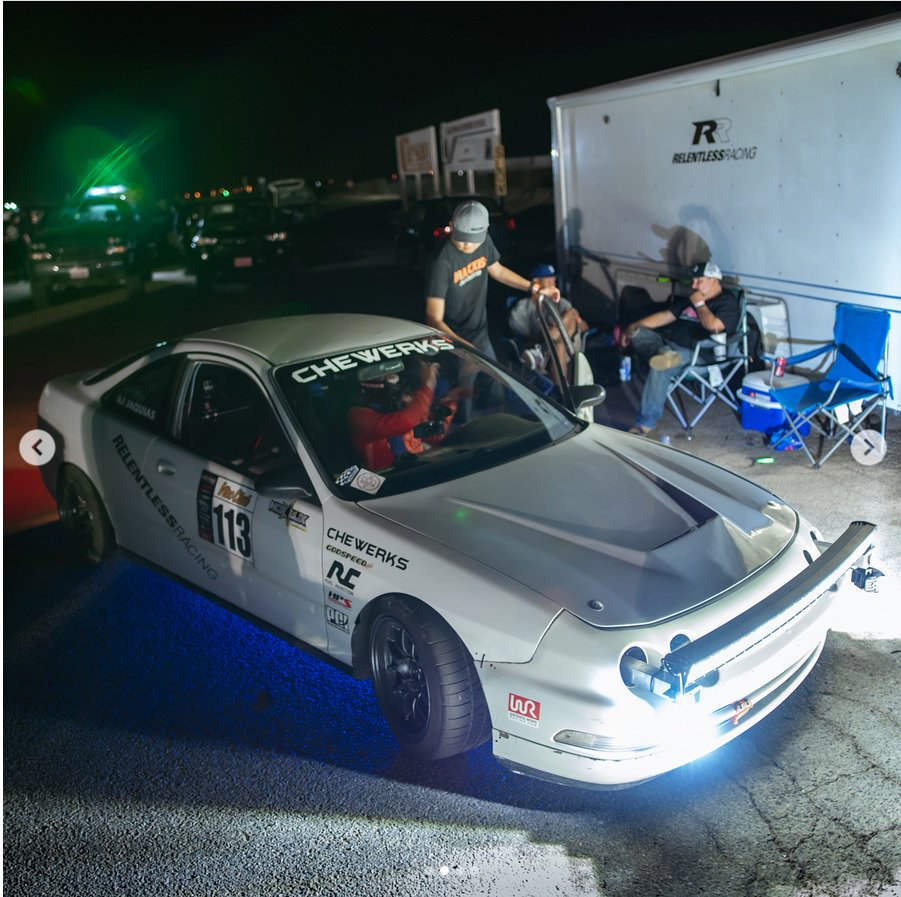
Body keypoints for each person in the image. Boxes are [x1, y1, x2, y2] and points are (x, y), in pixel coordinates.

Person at [424, 200, 559, 359]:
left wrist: (535, 288)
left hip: (480, 334)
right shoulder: (441, 262)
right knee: (466, 383)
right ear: (451, 226)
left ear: (485, 230)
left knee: (495, 382)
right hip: (452, 339)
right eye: (462, 238)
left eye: (474, 239)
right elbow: (433, 319)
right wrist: (465, 349)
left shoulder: (484, 242)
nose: (468, 245)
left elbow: (498, 271)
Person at [618, 260, 740, 435]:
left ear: (714, 280)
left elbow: (715, 326)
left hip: (700, 356)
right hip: (669, 345)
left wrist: (700, 305)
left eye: (699, 280)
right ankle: (664, 355)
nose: (693, 285)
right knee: (639, 334)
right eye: (693, 281)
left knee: (661, 367)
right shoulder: (692, 297)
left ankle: (645, 424)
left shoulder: (726, 302)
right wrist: (633, 326)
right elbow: (666, 315)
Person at [347, 357, 461, 470]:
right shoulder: (358, 416)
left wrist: (448, 404)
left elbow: (429, 434)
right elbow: (406, 421)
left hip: (417, 467)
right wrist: (427, 387)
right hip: (384, 479)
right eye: (382, 376)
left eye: (391, 375)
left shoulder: (402, 403)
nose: (391, 378)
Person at [508, 262, 590, 383]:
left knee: (571, 315)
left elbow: (584, 327)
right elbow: (521, 339)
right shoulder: (521, 309)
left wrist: (557, 329)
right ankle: (563, 394)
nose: (553, 282)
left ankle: (541, 349)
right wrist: (547, 334)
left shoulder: (561, 303)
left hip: (569, 349)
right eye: (549, 279)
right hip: (537, 355)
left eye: (554, 279)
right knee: (558, 343)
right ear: (536, 282)